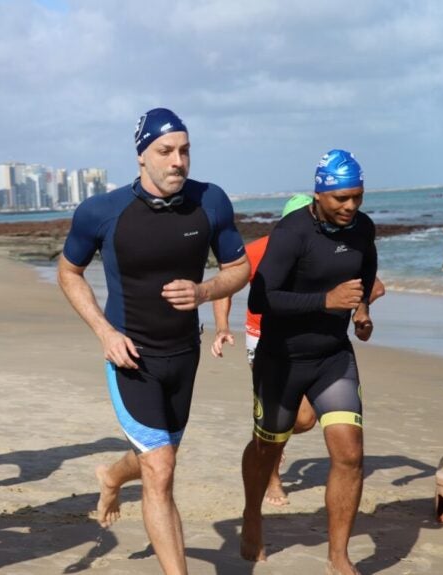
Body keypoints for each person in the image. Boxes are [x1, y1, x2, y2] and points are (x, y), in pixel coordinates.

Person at [58, 108, 251, 575]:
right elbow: (69, 272)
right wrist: (106, 332)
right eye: (166, 151)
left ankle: (110, 476)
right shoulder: (102, 212)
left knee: (154, 459)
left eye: (185, 150)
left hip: (184, 356)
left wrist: (205, 291)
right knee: (161, 470)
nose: (178, 161)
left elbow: (240, 268)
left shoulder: (212, 202)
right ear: (141, 156)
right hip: (132, 359)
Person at [240, 150, 377, 575]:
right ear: (319, 194)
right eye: (340, 198)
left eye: (356, 196)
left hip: (333, 356)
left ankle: (338, 555)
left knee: (350, 454)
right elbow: (261, 298)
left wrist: (361, 310)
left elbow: (366, 270)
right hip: (281, 358)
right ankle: (252, 513)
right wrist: (325, 300)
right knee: (270, 446)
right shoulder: (291, 233)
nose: (350, 206)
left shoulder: (363, 228)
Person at [212, 194, 386, 507]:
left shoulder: (335, 239)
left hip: (324, 349)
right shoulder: (269, 247)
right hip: (264, 339)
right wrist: (223, 327)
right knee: (285, 424)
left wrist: (362, 308)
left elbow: (369, 280)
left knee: (304, 420)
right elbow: (231, 285)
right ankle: (273, 474)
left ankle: (275, 441)